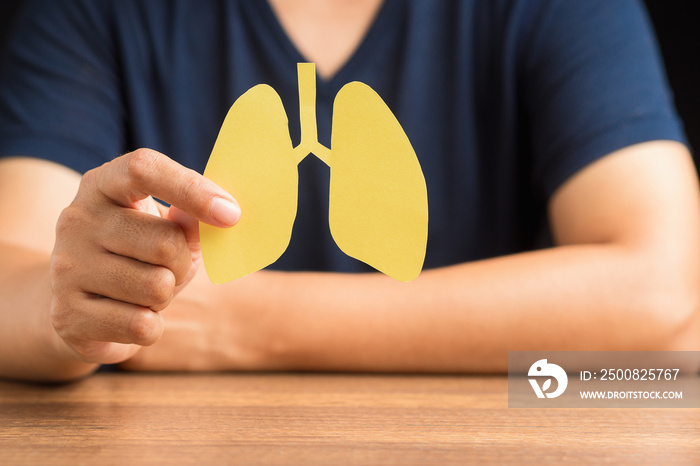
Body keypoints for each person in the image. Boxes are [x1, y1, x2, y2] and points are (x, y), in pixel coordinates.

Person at [0, 0, 698, 382]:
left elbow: (663, 288)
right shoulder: (88, 13)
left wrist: (238, 325)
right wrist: (71, 310)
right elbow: (16, 280)